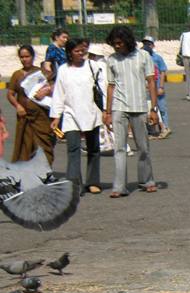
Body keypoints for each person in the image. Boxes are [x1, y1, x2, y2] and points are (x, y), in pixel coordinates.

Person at [103, 26, 159, 197]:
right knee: (119, 148)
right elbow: (111, 86)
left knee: (143, 147)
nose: (117, 46)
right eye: (114, 44)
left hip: (140, 107)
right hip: (119, 107)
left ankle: (147, 180)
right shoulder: (111, 60)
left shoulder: (143, 56)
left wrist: (154, 109)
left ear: (127, 41)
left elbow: (151, 82)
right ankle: (119, 186)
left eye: (119, 43)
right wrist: (107, 112)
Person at [49, 38, 103, 195]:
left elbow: (103, 88)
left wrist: (106, 111)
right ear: (70, 53)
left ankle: (93, 181)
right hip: (71, 114)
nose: (81, 54)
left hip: (92, 113)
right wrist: (56, 117)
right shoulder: (64, 70)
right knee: (73, 149)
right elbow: (59, 94)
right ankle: (74, 184)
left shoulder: (93, 66)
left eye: (83, 51)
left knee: (94, 149)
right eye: (77, 51)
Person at [6, 45, 54, 164]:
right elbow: (10, 94)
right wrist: (18, 106)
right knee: (25, 145)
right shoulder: (17, 75)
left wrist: (47, 90)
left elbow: (52, 88)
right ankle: (24, 172)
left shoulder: (40, 73)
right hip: (24, 116)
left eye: (27, 56)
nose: (24, 59)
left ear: (32, 57)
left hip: (41, 116)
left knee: (44, 144)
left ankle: (45, 171)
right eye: (22, 57)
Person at [141, 36, 171, 139]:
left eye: (148, 44)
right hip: (147, 88)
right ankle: (152, 130)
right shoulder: (141, 57)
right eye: (144, 43)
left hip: (157, 85)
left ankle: (165, 128)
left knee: (162, 108)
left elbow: (162, 72)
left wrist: (161, 86)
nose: (146, 46)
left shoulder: (157, 58)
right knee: (150, 109)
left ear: (153, 45)